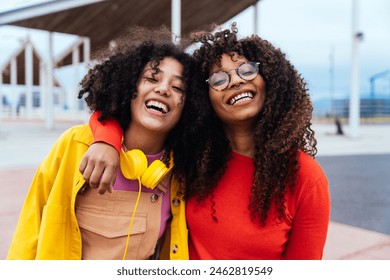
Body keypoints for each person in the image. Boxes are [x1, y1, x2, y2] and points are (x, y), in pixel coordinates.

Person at [80, 23, 331, 260]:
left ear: (271, 80)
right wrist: (106, 140)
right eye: (219, 79)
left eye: (247, 70)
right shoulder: (193, 157)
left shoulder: (306, 178)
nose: (235, 81)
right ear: (204, 99)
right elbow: (116, 114)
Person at [6, 26, 200, 260]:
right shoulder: (75, 145)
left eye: (178, 87)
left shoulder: (180, 173)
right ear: (129, 86)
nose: (163, 89)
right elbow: (28, 233)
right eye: (152, 78)